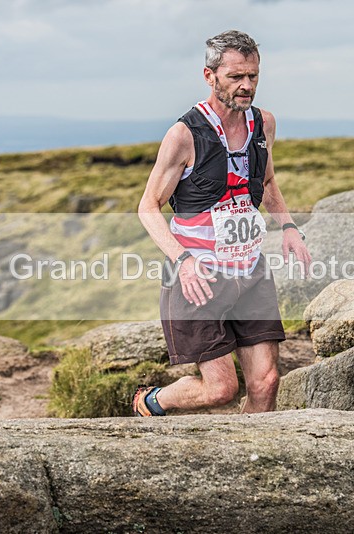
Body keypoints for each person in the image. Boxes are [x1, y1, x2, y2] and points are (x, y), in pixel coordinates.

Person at [135, 30, 311, 417]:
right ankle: (152, 401)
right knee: (221, 390)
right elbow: (148, 207)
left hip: (249, 270)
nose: (246, 85)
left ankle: (252, 465)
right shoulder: (184, 135)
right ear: (210, 76)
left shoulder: (263, 124)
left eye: (253, 76)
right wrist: (183, 261)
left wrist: (290, 228)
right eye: (236, 77)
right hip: (198, 276)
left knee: (266, 383)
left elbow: (265, 182)